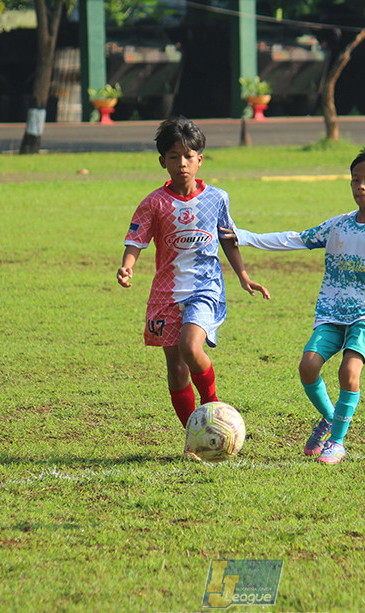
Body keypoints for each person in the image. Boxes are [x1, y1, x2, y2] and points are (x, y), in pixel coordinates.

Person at [222, 145, 365, 465]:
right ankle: (331, 418)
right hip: (332, 311)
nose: (360, 186)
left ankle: (337, 443)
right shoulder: (338, 226)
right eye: (354, 179)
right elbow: (296, 238)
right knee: (308, 367)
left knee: (349, 371)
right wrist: (245, 236)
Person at [117, 116, 269, 428]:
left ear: (200, 159)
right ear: (163, 161)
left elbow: (228, 238)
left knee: (190, 347)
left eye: (188, 156)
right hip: (166, 294)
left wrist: (242, 274)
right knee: (175, 366)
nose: (182, 163)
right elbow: (136, 240)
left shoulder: (217, 198)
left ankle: (212, 408)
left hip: (205, 288)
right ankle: (194, 433)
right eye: (174, 157)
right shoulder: (154, 203)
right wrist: (127, 266)